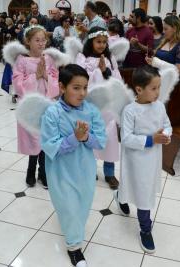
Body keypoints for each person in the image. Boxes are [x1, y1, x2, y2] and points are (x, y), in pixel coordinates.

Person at [40, 64, 106, 267]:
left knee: (82, 205)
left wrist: (86, 137)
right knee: (68, 206)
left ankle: (74, 231)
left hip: (85, 169)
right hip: (60, 170)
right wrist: (74, 138)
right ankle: (74, 247)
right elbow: (50, 146)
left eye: (85, 87)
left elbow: (101, 141)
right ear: (62, 87)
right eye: (76, 88)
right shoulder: (52, 113)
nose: (82, 93)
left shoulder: (91, 111)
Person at [114, 65, 172, 254]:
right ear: (139, 89)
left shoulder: (160, 106)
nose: (157, 92)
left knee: (144, 190)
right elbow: (126, 138)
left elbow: (167, 125)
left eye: (159, 87)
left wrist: (166, 135)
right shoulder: (130, 111)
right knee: (140, 191)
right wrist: (150, 140)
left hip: (153, 159)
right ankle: (145, 230)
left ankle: (121, 196)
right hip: (135, 160)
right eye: (153, 88)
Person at [11, 25, 60, 188]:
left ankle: (43, 173)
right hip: (31, 106)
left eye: (43, 40)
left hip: (46, 104)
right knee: (33, 139)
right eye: (37, 40)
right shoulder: (22, 60)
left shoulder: (49, 58)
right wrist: (35, 76)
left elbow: (55, 78)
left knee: (45, 138)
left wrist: (46, 76)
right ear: (28, 41)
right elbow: (17, 83)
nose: (41, 43)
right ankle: (30, 170)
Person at [75, 26, 124, 189]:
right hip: (90, 104)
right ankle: (89, 170)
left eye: (104, 42)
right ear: (91, 41)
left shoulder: (110, 58)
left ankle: (109, 173)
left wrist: (106, 71)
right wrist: (95, 71)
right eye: (98, 42)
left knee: (109, 138)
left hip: (107, 107)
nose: (102, 45)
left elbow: (117, 80)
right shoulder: (83, 57)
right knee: (90, 137)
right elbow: (79, 79)